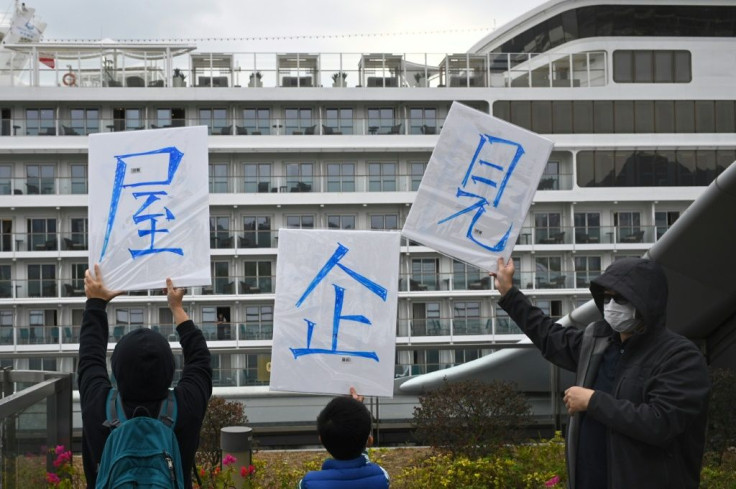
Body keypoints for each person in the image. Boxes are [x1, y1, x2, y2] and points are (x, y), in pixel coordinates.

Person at [491, 256, 709, 489]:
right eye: (606, 297)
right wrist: (508, 292)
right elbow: (550, 337)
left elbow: (661, 424)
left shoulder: (679, 356)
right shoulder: (597, 340)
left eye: (621, 298)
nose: (611, 305)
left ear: (646, 302)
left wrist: (592, 401)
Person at [78, 265, 212, 488]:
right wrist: (177, 308)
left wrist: (96, 304)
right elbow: (200, 362)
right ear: (170, 369)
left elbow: (89, 357)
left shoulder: (97, 404)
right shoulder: (186, 406)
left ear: (116, 369)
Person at [298, 387, 390, 488]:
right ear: (369, 441)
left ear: (321, 440)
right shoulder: (381, 477)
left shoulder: (308, 483)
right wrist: (356, 408)